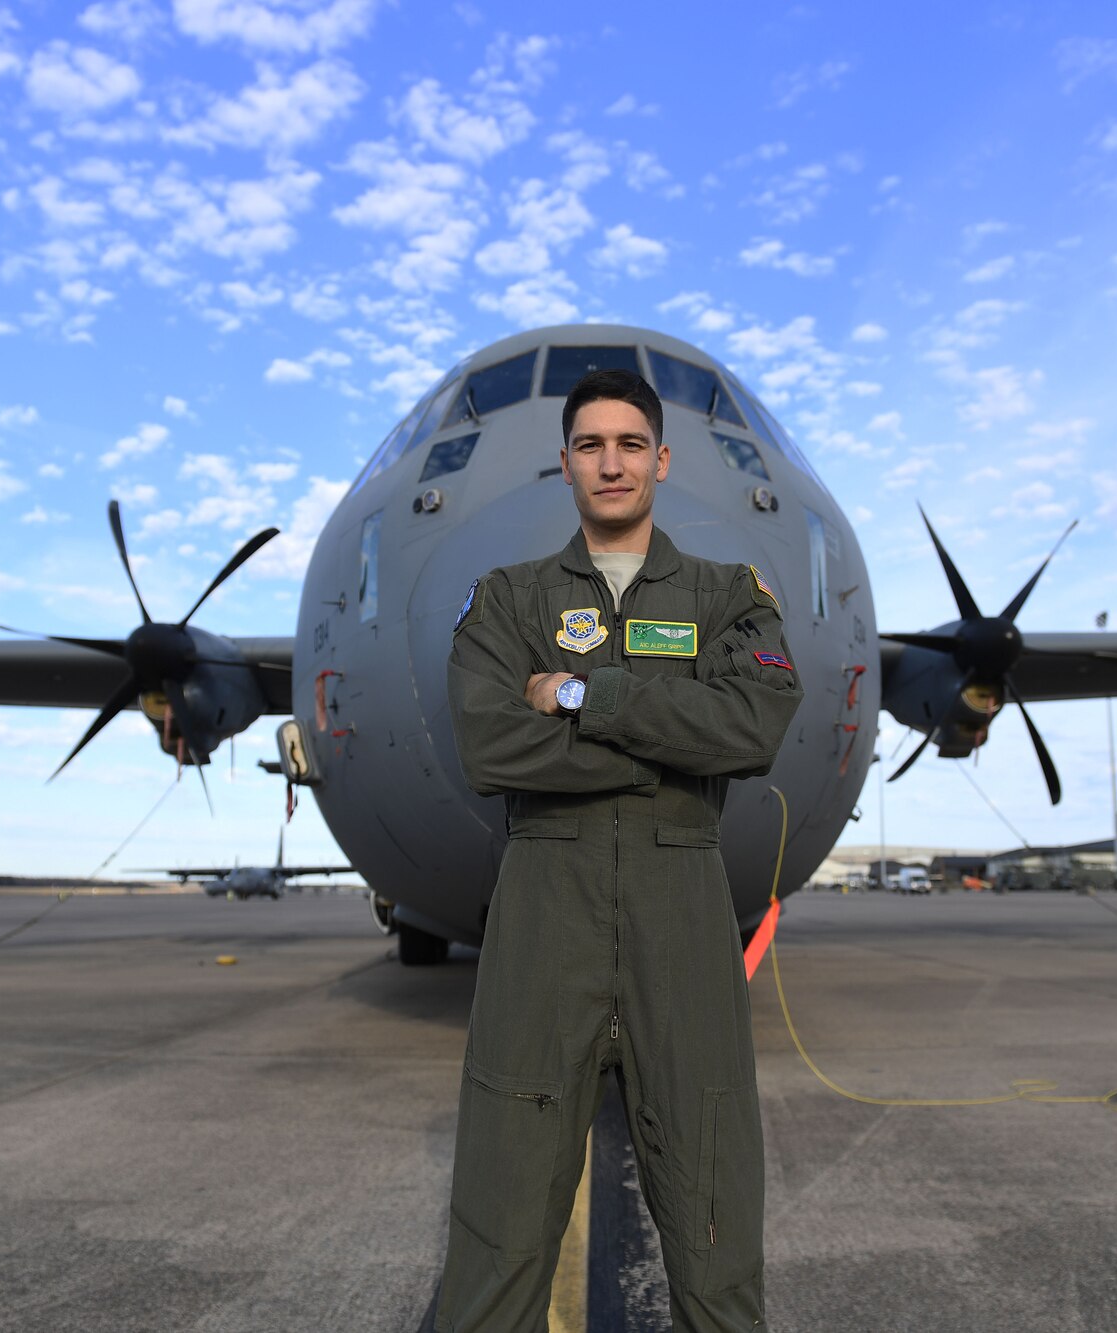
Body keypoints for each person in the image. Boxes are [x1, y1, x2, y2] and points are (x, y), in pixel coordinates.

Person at [435, 369, 803, 1331]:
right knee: (496, 1237)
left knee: (718, 1234)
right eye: (592, 445)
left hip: (680, 920)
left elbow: (753, 727)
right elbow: (487, 742)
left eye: (630, 444)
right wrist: (668, 751)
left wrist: (582, 696)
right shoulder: (509, 599)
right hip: (543, 919)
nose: (611, 462)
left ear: (661, 462)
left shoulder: (731, 597)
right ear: (565, 464)